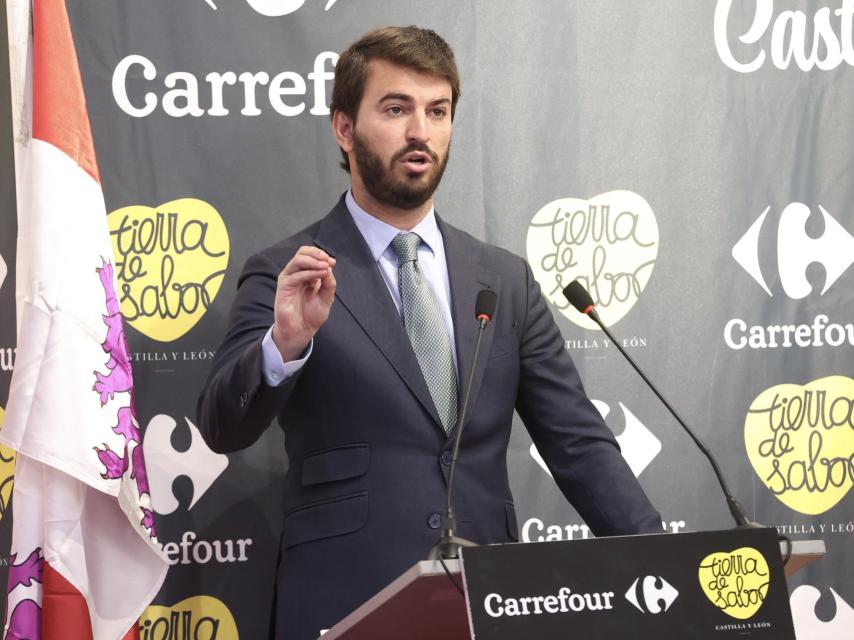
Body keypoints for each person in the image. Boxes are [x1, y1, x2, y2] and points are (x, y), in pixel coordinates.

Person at [197, 25, 661, 640]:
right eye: (396, 109)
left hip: (488, 601)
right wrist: (285, 346)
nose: (421, 131)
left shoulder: (506, 281)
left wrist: (665, 560)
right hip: (342, 603)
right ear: (344, 128)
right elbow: (223, 424)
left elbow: (578, 442)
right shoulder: (290, 272)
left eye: (437, 111)